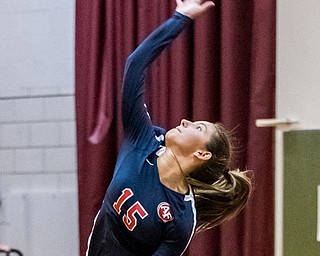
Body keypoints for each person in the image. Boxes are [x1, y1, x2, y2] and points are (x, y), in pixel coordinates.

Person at [86, 0, 252, 255]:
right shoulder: (143, 140)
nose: (185, 121)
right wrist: (179, 18)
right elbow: (134, 65)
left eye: (198, 128)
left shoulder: (182, 219)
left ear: (202, 154)